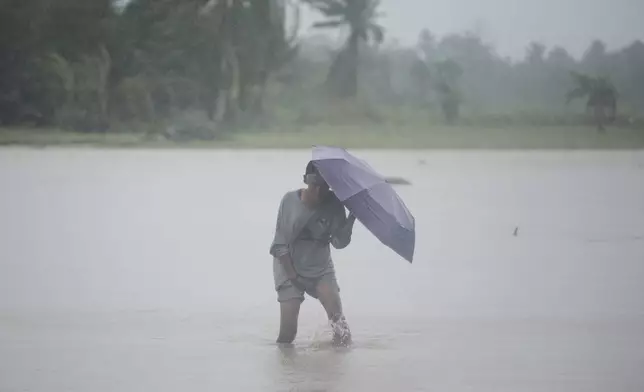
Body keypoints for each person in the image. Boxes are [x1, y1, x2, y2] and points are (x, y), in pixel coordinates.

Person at [269, 161, 356, 346]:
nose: (318, 192)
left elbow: (339, 243)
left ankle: (337, 368)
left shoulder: (334, 205)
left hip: (320, 269)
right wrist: (293, 276)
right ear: (306, 182)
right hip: (288, 266)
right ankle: (287, 373)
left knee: (341, 329)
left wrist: (351, 221)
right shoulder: (289, 201)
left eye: (324, 187)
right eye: (314, 186)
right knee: (288, 334)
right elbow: (279, 245)